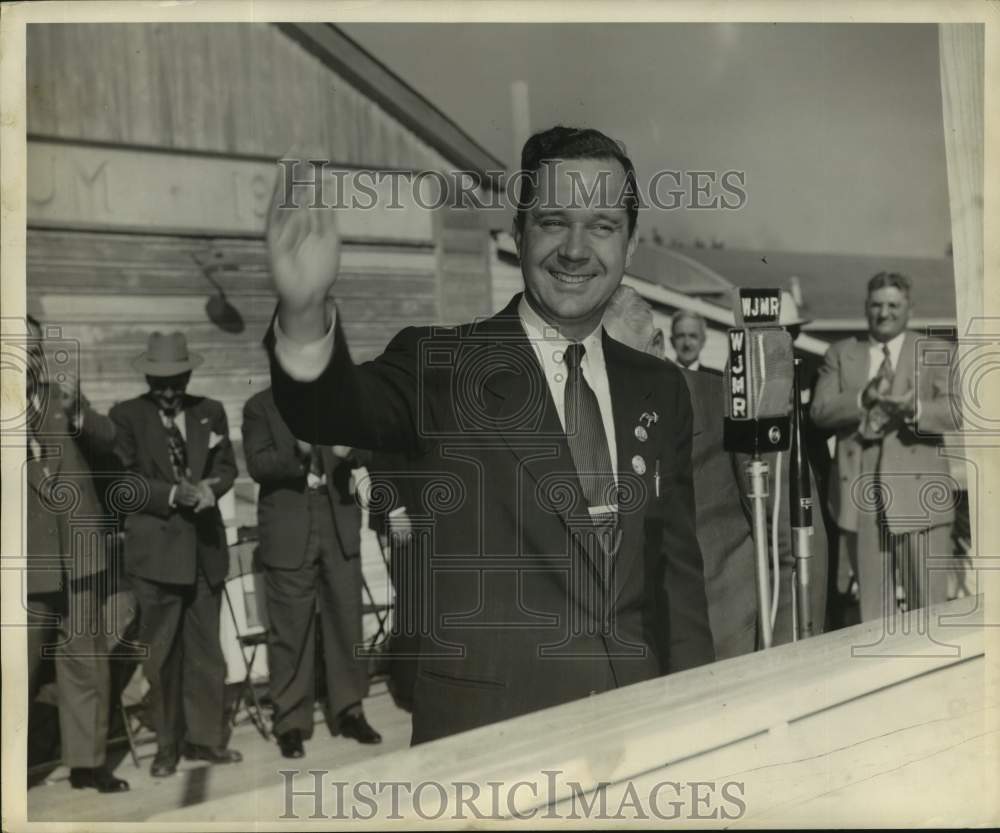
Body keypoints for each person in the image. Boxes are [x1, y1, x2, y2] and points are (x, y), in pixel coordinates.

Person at [265, 126, 715, 744]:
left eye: (603, 226)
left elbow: (675, 581)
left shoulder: (659, 388)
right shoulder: (443, 366)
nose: (576, 249)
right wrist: (303, 309)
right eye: (554, 221)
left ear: (631, 244)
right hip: (493, 743)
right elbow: (330, 409)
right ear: (518, 232)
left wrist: (700, 720)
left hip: (637, 729)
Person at [605, 287, 828, 654]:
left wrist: (788, 663)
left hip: (730, 655)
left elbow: (793, 548)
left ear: (657, 346)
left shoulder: (732, 408)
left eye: (617, 362)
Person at [109, 331, 241, 776]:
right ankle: (167, 747)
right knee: (162, 658)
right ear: (147, 378)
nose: (168, 392)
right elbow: (121, 484)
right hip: (157, 559)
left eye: (176, 382)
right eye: (159, 382)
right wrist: (170, 495)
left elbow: (227, 467)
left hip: (205, 555)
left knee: (207, 654)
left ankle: (205, 741)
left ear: (188, 375)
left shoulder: (210, 412)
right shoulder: (125, 417)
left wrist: (211, 488)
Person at [810, 272, 960, 622]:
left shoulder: (935, 350)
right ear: (866, 308)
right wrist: (862, 397)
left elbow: (958, 410)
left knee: (930, 616)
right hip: (861, 500)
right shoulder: (841, 354)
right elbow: (820, 411)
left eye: (893, 304)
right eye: (876, 304)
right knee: (873, 617)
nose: (884, 312)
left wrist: (916, 408)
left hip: (921, 499)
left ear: (909, 308)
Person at [242, 387, 380, 759]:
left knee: (346, 621)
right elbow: (257, 465)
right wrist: (298, 452)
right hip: (289, 528)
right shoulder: (259, 408)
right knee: (290, 629)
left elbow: (373, 447)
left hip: (338, 523)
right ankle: (290, 722)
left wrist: (352, 452)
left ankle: (350, 710)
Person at [24, 315, 130, 793]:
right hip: (25, 556)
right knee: (16, 667)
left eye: (36, 346)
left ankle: (87, 764)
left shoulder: (59, 395)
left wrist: (81, 411)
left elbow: (111, 442)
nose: (31, 354)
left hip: (80, 545)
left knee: (85, 657)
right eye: (20, 345)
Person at [669, 310, 716, 374]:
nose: (687, 344)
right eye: (681, 336)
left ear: (703, 341)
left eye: (693, 336)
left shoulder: (717, 378)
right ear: (672, 341)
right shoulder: (661, 376)